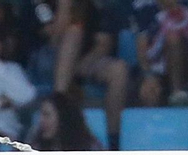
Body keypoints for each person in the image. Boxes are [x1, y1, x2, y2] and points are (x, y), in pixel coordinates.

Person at [42, 0, 128, 146]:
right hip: (47, 60)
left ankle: (114, 141)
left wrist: (77, 70)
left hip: (83, 64)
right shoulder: (41, 4)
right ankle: (58, 106)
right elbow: (51, 40)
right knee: (73, 33)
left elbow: (103, 44)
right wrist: (65, 8)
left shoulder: (96, 6)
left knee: (119, 70)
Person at [132, 0, 188, 106]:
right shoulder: (144, 7)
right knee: (149, 89)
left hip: (186, 66)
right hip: (155, 66)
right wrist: (149, 76)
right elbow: (142, 50)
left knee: (173, 39)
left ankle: (177, 92)